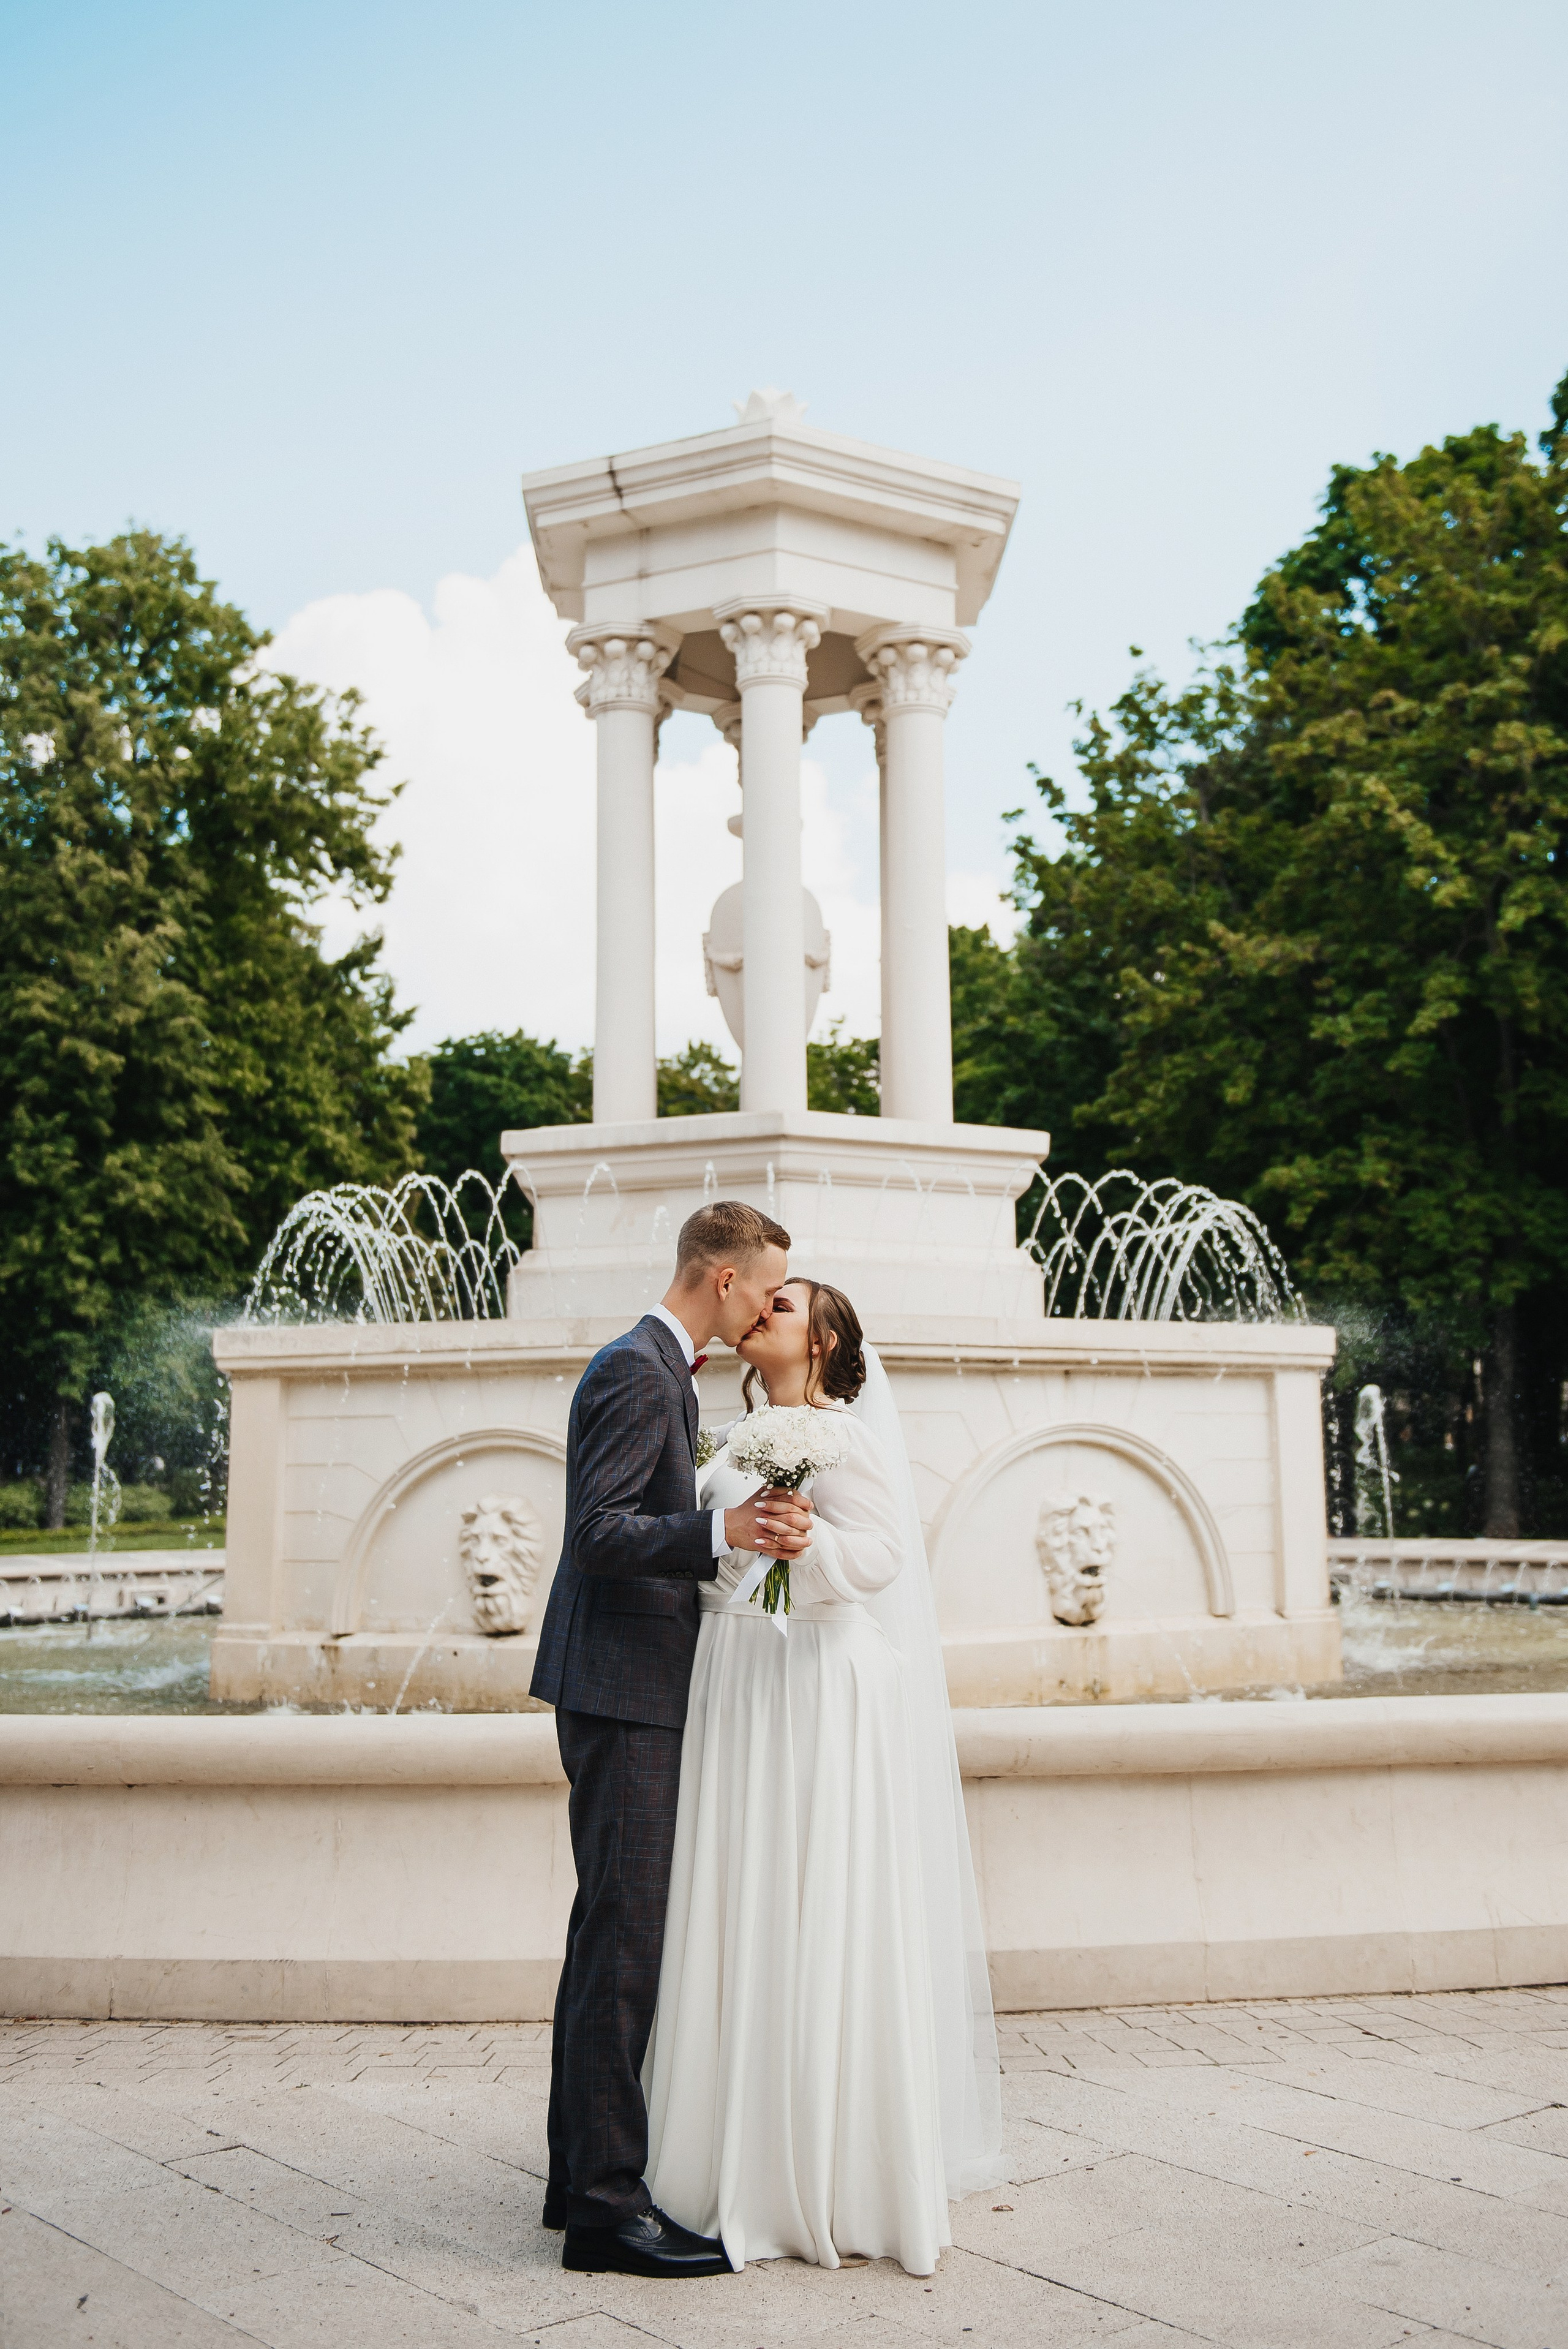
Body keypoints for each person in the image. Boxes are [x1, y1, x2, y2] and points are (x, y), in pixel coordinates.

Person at [643, 1278, 1004, 2275]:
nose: (762, 1310)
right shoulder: (730, 1436)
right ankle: (720, 2159)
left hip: (811, 1679)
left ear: (828, 1337)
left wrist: (819, 1543)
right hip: (734, 1679)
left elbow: (887, 1553)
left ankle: (829, 2167)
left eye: (787, 1306)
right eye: (763, 1301)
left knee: (816, 1897)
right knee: (735, 1898)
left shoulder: (846, 1434)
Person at [530, 1199, 812, 2280]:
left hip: (634, 1684)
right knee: (625, 1947)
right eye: (768, 1285)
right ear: (725, 1278)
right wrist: (722, 1529)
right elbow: (597, 1534)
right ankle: (607, 2213)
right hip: (621, 1689)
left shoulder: (661, 1369)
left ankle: (580, 2184)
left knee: (608, 1936)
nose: (766, 1310)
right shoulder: (635, 1368)